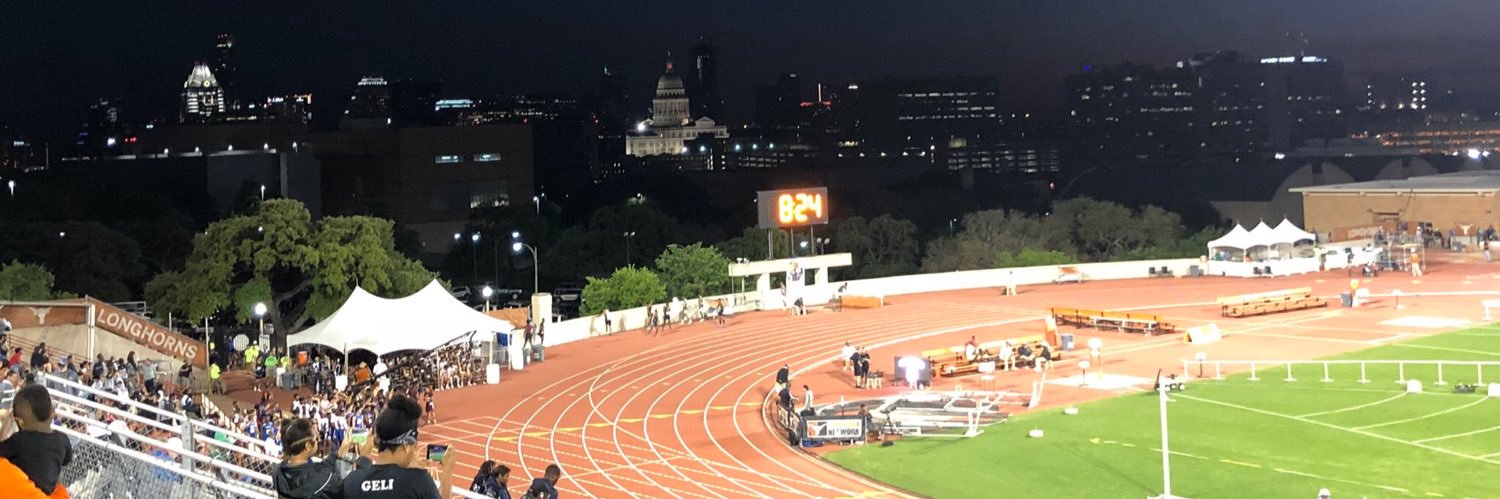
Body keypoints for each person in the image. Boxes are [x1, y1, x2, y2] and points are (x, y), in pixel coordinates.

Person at [342, 396, 455, 499]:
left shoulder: (352, 481)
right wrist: (447, 472)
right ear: (406, 446)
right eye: (414, 446)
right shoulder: (419, 481)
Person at [0, 384, 72, 497]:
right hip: (49, 492)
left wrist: (5, 427)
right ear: (52, 412)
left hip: (23, 489)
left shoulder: (19, 440)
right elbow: (66, 460)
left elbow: (1, 451)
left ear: (20, 421)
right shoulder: (62, 439)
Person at [274, 418, 358, 499]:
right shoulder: (322, 480)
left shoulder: (279, 471)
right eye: (316, 439)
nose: (318, 441)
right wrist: (364, 461)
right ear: (308, 446)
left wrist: (337, 454)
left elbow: (316, 470)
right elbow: (350, 490)